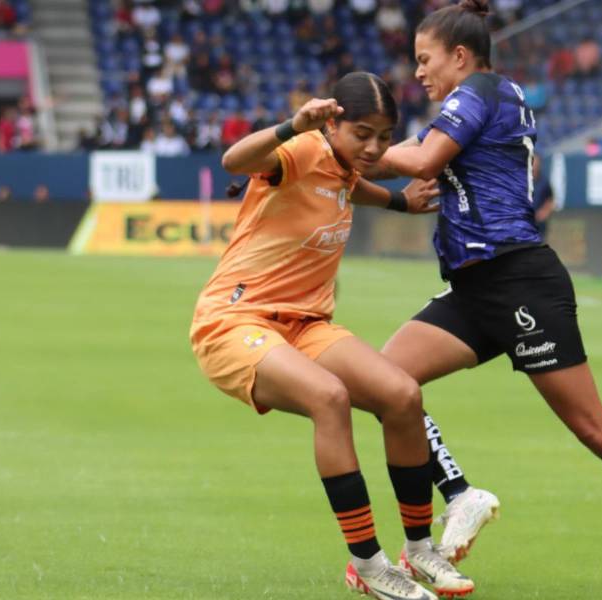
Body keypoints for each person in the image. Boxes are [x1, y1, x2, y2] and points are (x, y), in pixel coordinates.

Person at [369, 1, 602, 595]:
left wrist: (339, 142)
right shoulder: (481, 102)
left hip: (521, 284)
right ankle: (462, 495)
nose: (417, 72)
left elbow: (415, 160)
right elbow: (409, 163)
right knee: (383, 381)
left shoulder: (479, 93)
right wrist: (347, 160)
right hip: (473, 288)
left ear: (460, 57)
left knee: (596, 430)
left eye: (425, 59)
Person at [190, 73, 472, 600]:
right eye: (363, 133)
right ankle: (367, 564)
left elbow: (344, 187)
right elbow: (233, 161)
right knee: (330, 397)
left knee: (403, 396)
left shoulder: (342, 166)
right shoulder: (299, 148)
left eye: (384, 137)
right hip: (235, 322)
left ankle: (418, 551)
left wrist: (399, 203)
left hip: (305, 324)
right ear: (333, 122)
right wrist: (291, 124)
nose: (374, 147)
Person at [531, 153, 553, 237]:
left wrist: (545, 212)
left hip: (539, 226)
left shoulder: (544, 182)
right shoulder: (521, 181)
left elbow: (550, 200)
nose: (534, 165)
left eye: (537, 162)